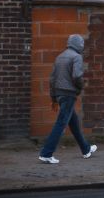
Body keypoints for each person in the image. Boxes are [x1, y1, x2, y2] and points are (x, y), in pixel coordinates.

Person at [39, 34, 97, 164]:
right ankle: (46, 153)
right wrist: (80, 88)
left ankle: (86, 149)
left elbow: (52, 79)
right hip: (68, 94)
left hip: (60, 95)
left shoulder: (59, 57)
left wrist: (53, 98)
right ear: (79, 45)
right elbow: (77, 76)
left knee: (74, 123)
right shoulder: (77, 57)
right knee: (61, 123)